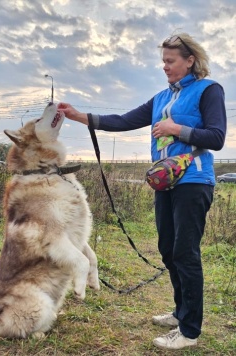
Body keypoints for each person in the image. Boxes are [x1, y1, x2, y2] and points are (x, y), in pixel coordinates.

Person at [58, 33, 227, 351]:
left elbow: (216, 137)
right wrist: (79, 116)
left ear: (190, 60)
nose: (164, 67)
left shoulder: (209, 90)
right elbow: (122, 120)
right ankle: (181, 312)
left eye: (170, 61)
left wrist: (177, 129)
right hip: (164, 184)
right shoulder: (161, 98)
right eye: (163, 61)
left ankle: (190, 330)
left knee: (185, 252)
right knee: (167, 248)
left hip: (194, 181)